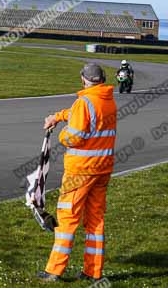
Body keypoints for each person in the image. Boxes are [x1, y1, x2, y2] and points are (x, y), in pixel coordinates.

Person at [38, 63, 117, 282]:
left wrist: (61, 135)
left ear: (83, 79)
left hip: (80, 172)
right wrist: (58, 116)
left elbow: (74, 136)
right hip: (102, 170)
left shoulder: (84, 102)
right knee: (95, 220)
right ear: (102, 79)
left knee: (67, 219)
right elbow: (78, 113)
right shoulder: (106, 100)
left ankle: (54, 271)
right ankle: (93, 272)